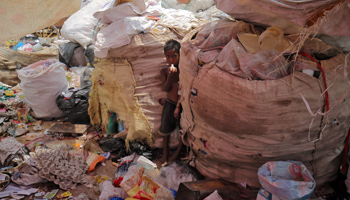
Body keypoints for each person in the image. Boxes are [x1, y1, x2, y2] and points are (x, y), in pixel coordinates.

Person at [158, 39, 183, 163]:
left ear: (179, 55)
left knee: (183, 130)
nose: (171, 60)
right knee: (165, 130)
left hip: (182, 104)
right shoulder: (164, 70)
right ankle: (165, 153)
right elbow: (166, 88)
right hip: (169, 103)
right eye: (168, 57)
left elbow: (184, 89)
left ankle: (178, 153)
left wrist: (179, 106)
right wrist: (170, 77)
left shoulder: (184, 70)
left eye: (174, 56)